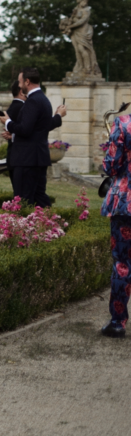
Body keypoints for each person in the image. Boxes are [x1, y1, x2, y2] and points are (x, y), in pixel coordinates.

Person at [0, 67, 66, 207]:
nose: (19, 84)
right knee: (39, 198)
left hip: (27, 159)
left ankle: (29, 221)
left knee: (23, 200)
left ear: (27, 81)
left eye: (20, 81)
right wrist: (14, 134)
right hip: (37, 157)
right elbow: (39, 127)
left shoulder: (33, 101)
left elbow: (25, 129)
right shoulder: (43, 99)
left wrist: (7, 122)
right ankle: (51, 220)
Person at [98, 110, 131, 338]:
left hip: (126, 204)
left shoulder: (124, 123)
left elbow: (110, 167)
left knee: (122, 263)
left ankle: (118, 323)